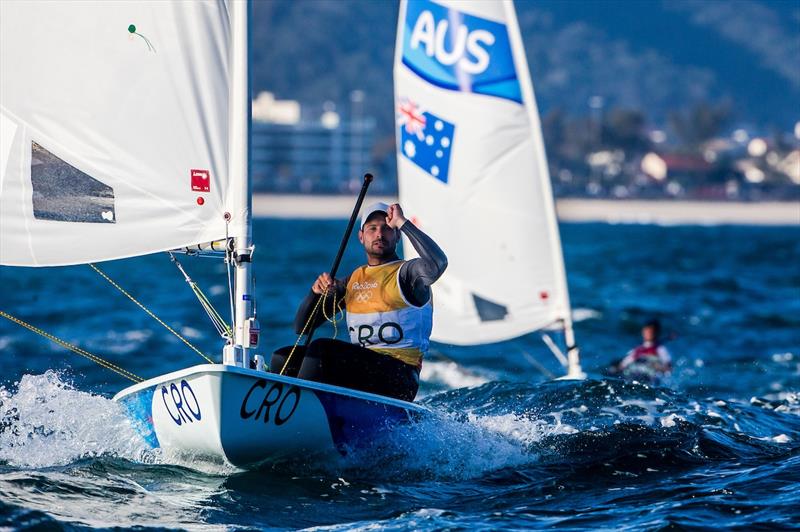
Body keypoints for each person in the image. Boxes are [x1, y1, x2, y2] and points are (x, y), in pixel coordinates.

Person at [271, 202, 447, 401]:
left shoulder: (408, 274)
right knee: (283, 358)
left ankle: (299, 410)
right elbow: (302, 327)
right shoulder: (353, 281)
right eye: (372, 229)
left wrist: (402, 222)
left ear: (397, 235)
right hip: (365, 372)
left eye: (387, 228)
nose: (379, 234)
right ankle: (280, 416)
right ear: (361, 237)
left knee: (322, 351)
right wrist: (315, 293)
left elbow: (438, 263)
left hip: (400, 377)